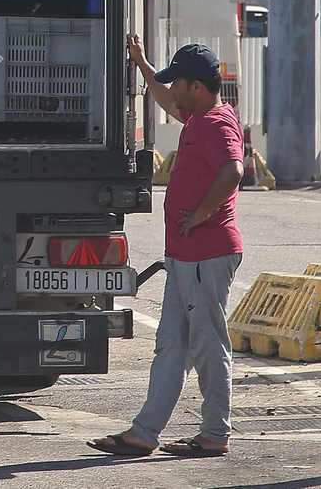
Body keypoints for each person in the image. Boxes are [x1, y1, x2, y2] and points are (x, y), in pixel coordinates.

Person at [89, 38, 245, 460]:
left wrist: (200, 214)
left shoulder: (216, 124)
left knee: (208, 345)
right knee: (171, 346)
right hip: (183, 257)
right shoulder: (197, 117)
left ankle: (215, 433)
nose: (171, 90)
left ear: (196, 86)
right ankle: (144, 433)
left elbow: (233, 169)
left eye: (177, 83)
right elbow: (162, 98)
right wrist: (142, 64)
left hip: (206, 255)